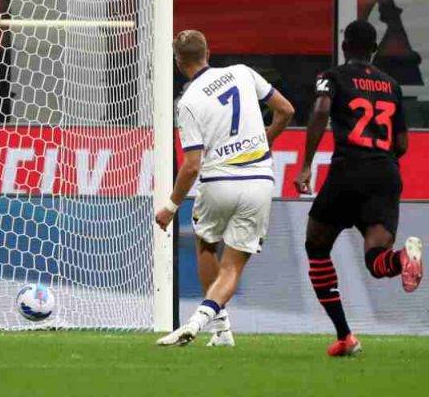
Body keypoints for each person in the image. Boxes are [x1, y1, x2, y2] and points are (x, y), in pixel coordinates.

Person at [155, 30, 295, 347]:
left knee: (206, 246)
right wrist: (266, 141)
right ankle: (209, 327)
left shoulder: (187, 102)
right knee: (233, 266)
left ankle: (217, 329)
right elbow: (286, 110)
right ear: (209, 51)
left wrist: (171, 206)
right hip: (259, 180)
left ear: (179, 63)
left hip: (219, 182)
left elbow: (191, 165)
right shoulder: (243, 73)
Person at [293, 19, 423, 357]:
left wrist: (306, 164)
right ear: (374, 50)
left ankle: (345, 335)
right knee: (376, 260)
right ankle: (402, 259)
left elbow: (321, 108)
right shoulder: (392, 84)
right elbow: (403, 143)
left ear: (344, 46)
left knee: (316, 246)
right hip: (386, 173)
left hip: (348, 170)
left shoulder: (331, 76)